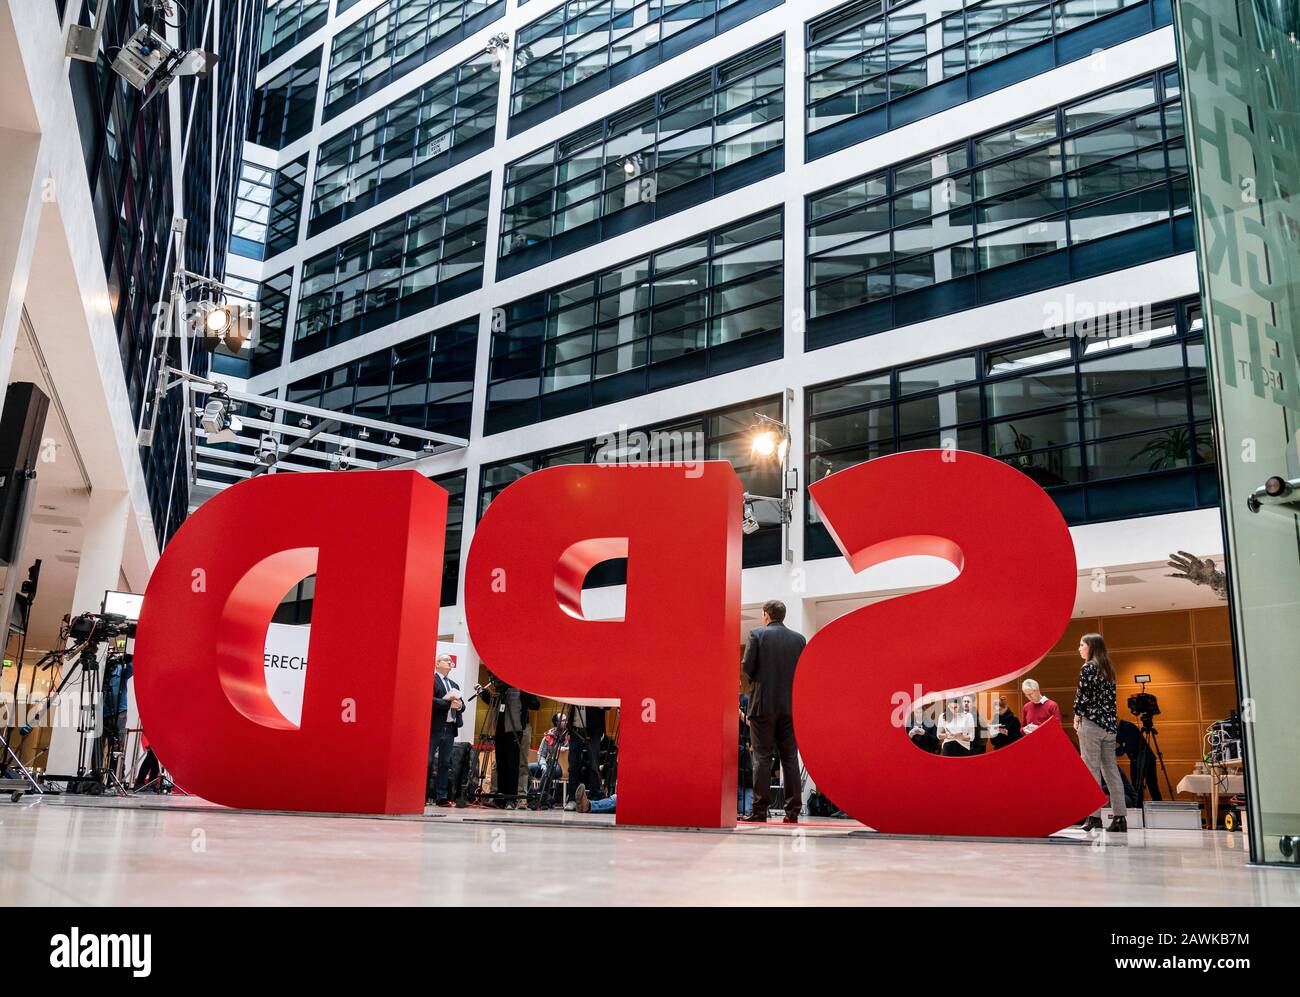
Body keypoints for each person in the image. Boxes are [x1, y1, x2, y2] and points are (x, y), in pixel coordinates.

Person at [740, 600, 806, 823]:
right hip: (790, 706)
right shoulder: (799, 640)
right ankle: (793, 812)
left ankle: (759, 811)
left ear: (766, 615)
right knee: (789, 758)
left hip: (762, 706)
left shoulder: (756, 635)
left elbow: (747, 667)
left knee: (762, 758)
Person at [1074, 633, 1127, 832]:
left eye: (1081, 645)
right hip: (1109, 726)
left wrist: (1077, 715)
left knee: (1091, 770)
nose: (1079, 649)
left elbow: (1082, 697)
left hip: (1091, 725)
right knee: (1111, 771)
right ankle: (1120, 818)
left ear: (1091, 647)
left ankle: (1094, 817)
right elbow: (1111, 701)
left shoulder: (1088, 668)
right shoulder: (1108, 668)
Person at [482, 679, 540, 810]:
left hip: (522, 727)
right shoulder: (501, 687)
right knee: (500, 763)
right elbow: (494, 704)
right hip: (503, 726)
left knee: (521, 763)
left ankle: (521, 797)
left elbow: (536, 704)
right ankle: (497, 794)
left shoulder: (524, 684)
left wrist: (522, 697)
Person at [428, 654, 463, 806]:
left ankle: (441, 797)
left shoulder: (455, 685)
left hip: (450, 728)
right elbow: (430, 700)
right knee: (428, 761)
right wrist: (448, 704)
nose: (450, 662)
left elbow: (461, 705)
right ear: (437, 663)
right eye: (446, 660)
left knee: (445, 763)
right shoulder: (431, 680)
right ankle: (422, 795)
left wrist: (460, 706)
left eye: (451, 661)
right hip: (435, 727)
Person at [1116, 718, 1161, 802]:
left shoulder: (1128, 726)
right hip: (1134, 760)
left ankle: (1159, 807)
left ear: (1116, 719)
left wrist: (1121, 745)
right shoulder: (1116, 731)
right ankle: (1138, 809)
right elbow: (1119, 752)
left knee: (1152, 785)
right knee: (1136, 787)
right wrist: (1122, 745)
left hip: (1147, 758)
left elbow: (1130, 745)